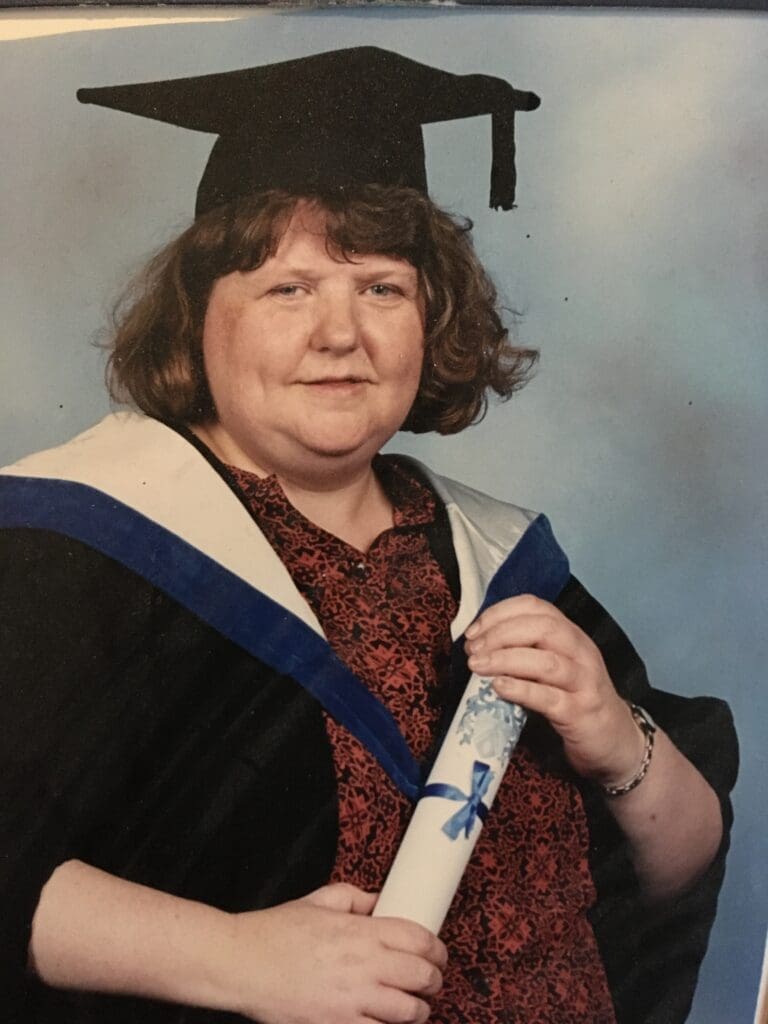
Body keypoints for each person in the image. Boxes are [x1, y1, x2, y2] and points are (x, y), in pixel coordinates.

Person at [0, 46, 736, 1024]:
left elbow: (684, 866)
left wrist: (614, 735)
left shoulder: (496, 558)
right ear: (197, 318)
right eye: (288, 289)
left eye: (381, 288)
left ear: (433, 315)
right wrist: (234, 957)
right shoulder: (77, 545)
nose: (340, 334)